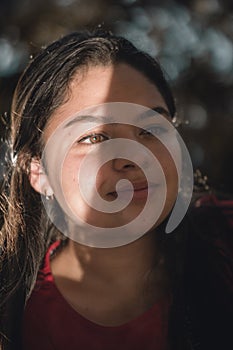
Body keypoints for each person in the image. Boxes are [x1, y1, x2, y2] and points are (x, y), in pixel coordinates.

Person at [0, 29, 232, 350]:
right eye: (95, 137)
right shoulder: (13, 318)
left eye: (151, 129)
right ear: (37, 170)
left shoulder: (226, 243)